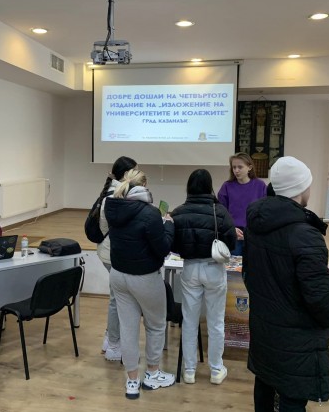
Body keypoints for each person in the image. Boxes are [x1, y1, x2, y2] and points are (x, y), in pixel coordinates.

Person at [243, 156, 329, 411]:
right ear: (301, 188)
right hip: (297, 338)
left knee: (265, 387)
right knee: (292, 399)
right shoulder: (306, 235)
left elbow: (249, 274)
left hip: (265, 327)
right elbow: (318, 298)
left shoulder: (256, 226)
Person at [104, 168, 176, 399]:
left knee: (128, 329)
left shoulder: (112, 208)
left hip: (118, 275)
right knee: (155, 325)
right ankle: (152, 373)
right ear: (144, 186)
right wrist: (168, 226)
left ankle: (132, 382)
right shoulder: (150, 213)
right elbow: (162, 248)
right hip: (144, 277)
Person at [170, 169, 236, 385]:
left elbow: (173, 243)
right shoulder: (220, 211)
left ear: (189, 187)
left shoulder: (178, 212)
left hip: (190, 268)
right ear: (210, 186)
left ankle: (189, 371)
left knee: (190, 320)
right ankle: (216, 370)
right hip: (214, 267)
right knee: (216, 322)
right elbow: (231, 242)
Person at [94, 156, 138, 361]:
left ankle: (109, 338)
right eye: (135, 171)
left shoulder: (114, 192)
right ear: (127, 174)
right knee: (117, 300)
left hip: (109, 251)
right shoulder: (117, 196)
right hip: (113, 253)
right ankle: (113, 345)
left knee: (116, 297)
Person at [217, 152, 267, 256]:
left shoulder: (260, 185)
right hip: (234, 234)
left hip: (254, 235)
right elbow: (221, 213)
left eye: (240, 167)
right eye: (234, 167)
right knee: (235, 265)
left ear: (249, 168)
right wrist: (231, 229)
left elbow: (265, 211)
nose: (236, 170)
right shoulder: (227, 186)